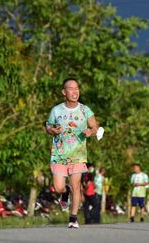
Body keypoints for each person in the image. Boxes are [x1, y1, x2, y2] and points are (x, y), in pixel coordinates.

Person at [45, 78, 99, 229]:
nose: (75, 92)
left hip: (78, 155)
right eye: (71, 89)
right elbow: (48, 126)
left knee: (77, 186)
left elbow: (95, 126)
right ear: (64, 92)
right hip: (59, 155)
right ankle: (65, 192)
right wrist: (52, 130)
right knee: (58, 187)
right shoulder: (56, 110)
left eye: (77, 89)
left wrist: (91, 131)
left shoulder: (85, 110)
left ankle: (73, 218)